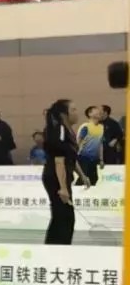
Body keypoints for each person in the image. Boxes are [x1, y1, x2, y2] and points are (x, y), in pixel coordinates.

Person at [43, 99, 80, 245]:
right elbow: (59, 159)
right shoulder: (60, 130)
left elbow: (71, 157)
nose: (77, 113)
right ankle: (58, 247)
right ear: (64, 114)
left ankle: (54, 246)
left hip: (62, 176)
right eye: (73, 110)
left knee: (63, 215)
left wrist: (82, 175)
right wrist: (63, 187)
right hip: (56, 177)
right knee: (64, 216)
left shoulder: (68, 131)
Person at [76, 106, 104, 187]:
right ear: (89, 114)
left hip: (94, 159)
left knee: (94, 179)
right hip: (84, 157)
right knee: (83, 178)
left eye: (99, 111)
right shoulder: (86, 126)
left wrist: (101, 159)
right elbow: (79, 141)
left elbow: (100, 144)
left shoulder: (101, 127)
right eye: (96, 110)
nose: (99, 112)